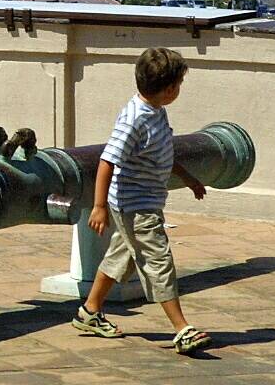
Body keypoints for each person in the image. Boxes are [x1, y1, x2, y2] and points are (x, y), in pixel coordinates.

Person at [71, 47, 211, 355]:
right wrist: (98, 206)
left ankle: (89, 312)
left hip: (141, 202)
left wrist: (187, 178)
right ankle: (182, 329)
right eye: (179, 84)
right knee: (158, 261)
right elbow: (108, 160)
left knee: (122, 256)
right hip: (137, 206)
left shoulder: (156, 112)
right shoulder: (135, 118)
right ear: (169, 88)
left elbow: (162, 150)